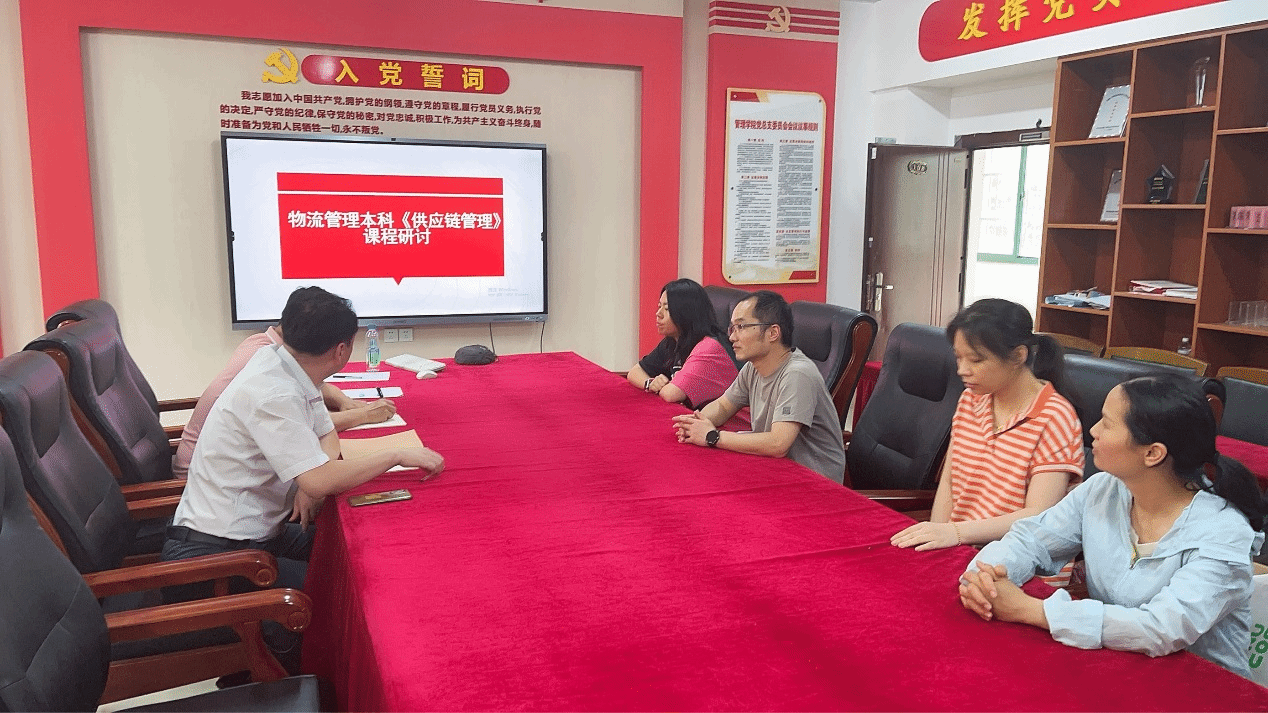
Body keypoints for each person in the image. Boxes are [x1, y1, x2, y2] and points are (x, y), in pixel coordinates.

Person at [958, 373, 1267, 678]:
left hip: (1202, 687)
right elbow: (1031, 539)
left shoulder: (1223, 532)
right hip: (1118, 668)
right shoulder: (1104, 489)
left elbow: (1162, 628)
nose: (1093, 430)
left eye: (1106, 423)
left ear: (1152, 453)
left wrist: (1031, 610)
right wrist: (988, 579)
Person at [162, 286, 444, 589]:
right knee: (348, 585)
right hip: (213, 556)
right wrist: (394, 456)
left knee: (359, 551)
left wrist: (309, 476)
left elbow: (326, 434)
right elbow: (319, 479)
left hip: (254, 534)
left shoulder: (286, 364)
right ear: (341, 350)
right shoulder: (274, 393)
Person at [891, 299, 1083, 558]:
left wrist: (955, 533)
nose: (962, 370)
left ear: (1018, 356)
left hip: (1016, 562)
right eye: (958, 357)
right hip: (960, 549)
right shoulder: (971, 399)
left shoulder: (1055, 417)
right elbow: (950, 480)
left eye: (976, 360)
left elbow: (1038, 515)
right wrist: (936, 539)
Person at [172, 324, 397, 477]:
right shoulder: (268, 366)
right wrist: (364, 416)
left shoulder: (265, 344)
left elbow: (315, 389)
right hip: (205, 471)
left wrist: (343, 400)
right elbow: (302, 424)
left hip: (218, 461)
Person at [672, 290, 845, 483]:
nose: (732, 337)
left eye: (741, 327)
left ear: (773, 333)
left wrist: (712, 436)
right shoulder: (753, 368)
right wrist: (696, 424)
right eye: (732, 328)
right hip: (776, 470)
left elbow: (778, 444)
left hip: (815, 482)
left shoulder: (797, 374)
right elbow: (723, 406)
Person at [627, 278, 739, 409]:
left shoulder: (710, 347)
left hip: (731, 421)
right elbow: (635, 371)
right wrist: (650, 383)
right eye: (659, 306)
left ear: (687, 312)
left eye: (667, 309)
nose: (658, 314)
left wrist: (663, 386)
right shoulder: (674, 340)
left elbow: (670, 394)